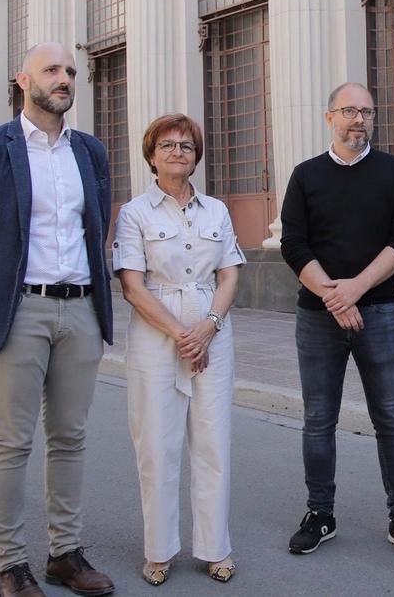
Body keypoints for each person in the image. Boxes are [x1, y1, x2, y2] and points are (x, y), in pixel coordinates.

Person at [0, 42, 115, 597]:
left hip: (81, 307)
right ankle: (10, 564)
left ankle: (65, 554)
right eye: (52, 70)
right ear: (23, 80)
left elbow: (96, 229)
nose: (64, 78)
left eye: (70, 71)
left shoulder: (89, 151)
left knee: (70, 438)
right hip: (17, 309)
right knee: (12, 441)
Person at [279, 81, 394, 559]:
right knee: (318, 419)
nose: (358, 119)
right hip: (318, 317)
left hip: (379, 312)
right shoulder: (306, 175)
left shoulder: (393, 171)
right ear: (329, 118)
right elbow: (293, 243)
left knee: (391, 420)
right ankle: (320, 513)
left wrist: (356, 290)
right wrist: (333, 296)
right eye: (348, 111)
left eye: (366, 111)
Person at [112, 114, 245, 585]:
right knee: (157, 444)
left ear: (196, 156)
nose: (177, 152)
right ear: (151, 154)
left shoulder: (217, 211)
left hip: (212, 327)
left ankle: (214, 547)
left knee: (213, 442)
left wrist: (208, 327)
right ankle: (159, 549)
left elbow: (229, 272)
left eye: (186, 146)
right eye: (167, 145)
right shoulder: (135, 213)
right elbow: (132, 285)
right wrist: (181, 335)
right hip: (155, 333)